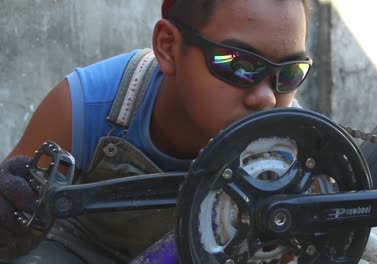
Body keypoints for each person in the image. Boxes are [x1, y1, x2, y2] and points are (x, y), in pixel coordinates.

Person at [0, 0, 313, 263]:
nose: (267, 98)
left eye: (289, 73)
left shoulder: (303, 152)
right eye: (238, 64)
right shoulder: (86, 107)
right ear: (169, 46)